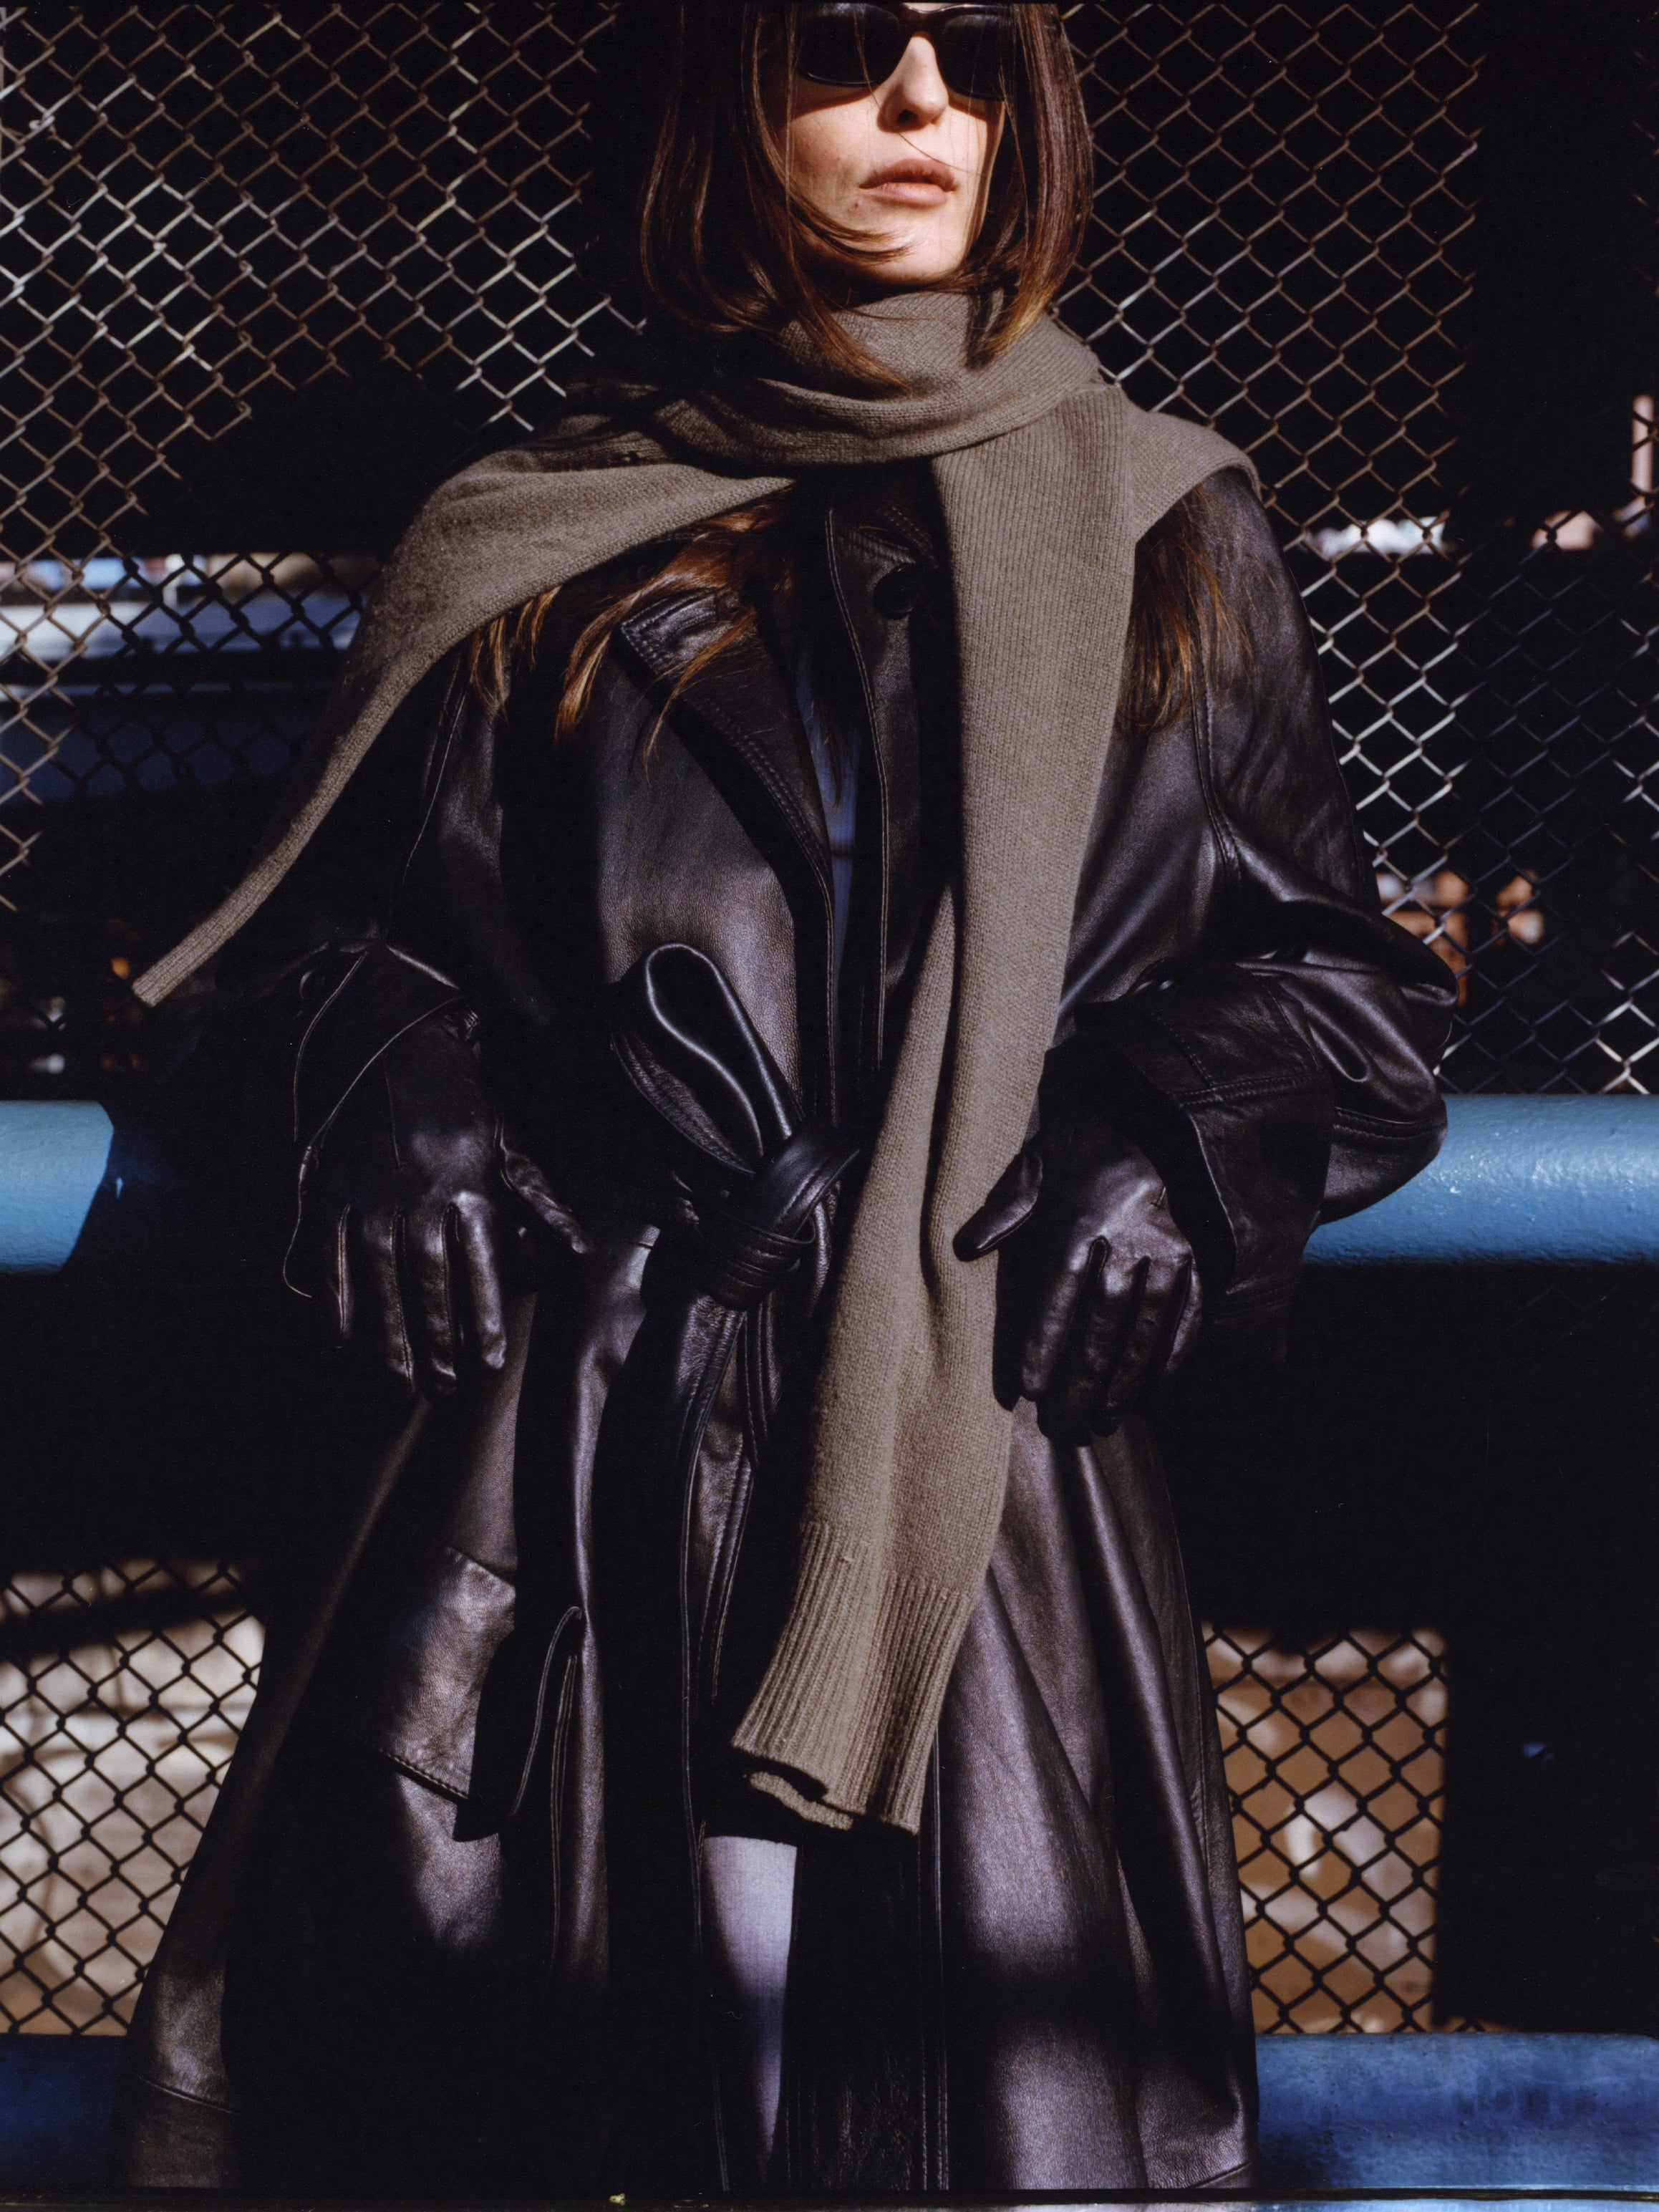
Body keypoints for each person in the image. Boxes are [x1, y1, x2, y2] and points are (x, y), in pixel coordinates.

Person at [112, 2, 1453, 2196]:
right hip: (578, 1459)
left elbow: (1341, 984)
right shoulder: (529, 543)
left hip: (979, 1490)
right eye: (848, 46)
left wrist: (1178, 1129)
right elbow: (306, 948)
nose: (928, 104)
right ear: (712, 109)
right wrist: (382, 1071)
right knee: (569, 2107)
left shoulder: (1171, 529)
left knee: (970, 2106)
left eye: (981, 57)